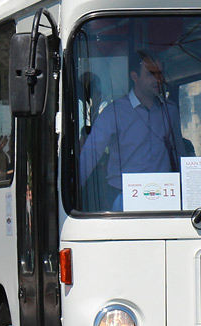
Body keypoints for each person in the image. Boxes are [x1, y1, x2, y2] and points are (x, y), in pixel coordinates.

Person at [77, 50, 186, 211]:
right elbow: (91, 154)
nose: (158, 80)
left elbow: (179, 153)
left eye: (160, 74)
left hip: (164, 197)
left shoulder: (170, 111)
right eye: (151, 75)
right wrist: (73, 193)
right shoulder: (114, 112)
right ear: (135, 76)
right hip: (124, 198)